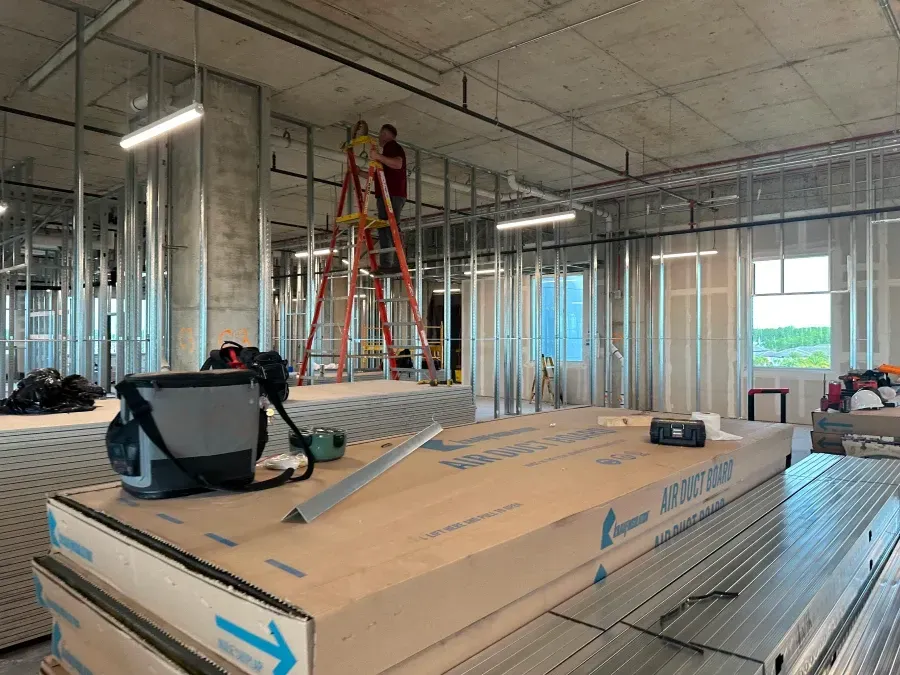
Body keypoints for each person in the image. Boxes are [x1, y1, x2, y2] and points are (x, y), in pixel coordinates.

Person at [370, 124, 406, 273]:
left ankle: (399, 262)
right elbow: (379, 176)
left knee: (391, 228)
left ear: (385, 134)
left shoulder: (393, 147)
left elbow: (398, 164)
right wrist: (359, 173)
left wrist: (378, 157)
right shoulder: (387, 152)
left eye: (380, 134)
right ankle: (387, 264)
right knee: (385, 229)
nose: (379, 138)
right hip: (385, 194)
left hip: (392, 194)